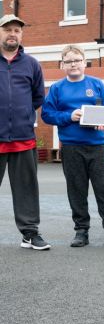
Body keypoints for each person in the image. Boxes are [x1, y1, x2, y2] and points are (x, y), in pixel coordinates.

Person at [41, 45, 104, 248]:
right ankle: (81, 231)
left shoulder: (97, 84)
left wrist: (103, 120)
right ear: (63, 65)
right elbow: (47, 114)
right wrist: (68, 116)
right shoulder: (56, 88)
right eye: (69, 61)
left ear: (84, 62)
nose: (73, 64)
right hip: (71, 147)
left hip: (97, 145)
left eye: (77, 60)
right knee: (77, 190)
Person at [0, 14, 51, 250]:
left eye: (17, 31)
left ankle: (30, 233)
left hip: (23, 139)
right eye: (8, 29)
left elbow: (37, 97)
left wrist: (21, 115)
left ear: (21, 35)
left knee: (27, 189)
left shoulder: (31, 64)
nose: (13, 34)